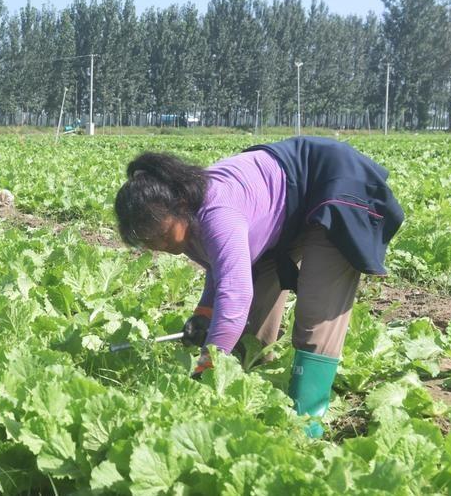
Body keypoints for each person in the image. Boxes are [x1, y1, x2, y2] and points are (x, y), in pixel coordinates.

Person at [112, 136, 404, 438]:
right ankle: (259, 390)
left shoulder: (218, 214)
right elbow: (221, 269)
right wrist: (204, 314)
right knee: (249, 323)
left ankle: (307, 425)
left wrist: (206, 368)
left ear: (181, 205)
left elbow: (235, 295)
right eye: (147, 243)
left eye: (159, 235)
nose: (158, 245)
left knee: (316, 312)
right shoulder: (184, 220)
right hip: (289, 202)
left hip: (335, 185)